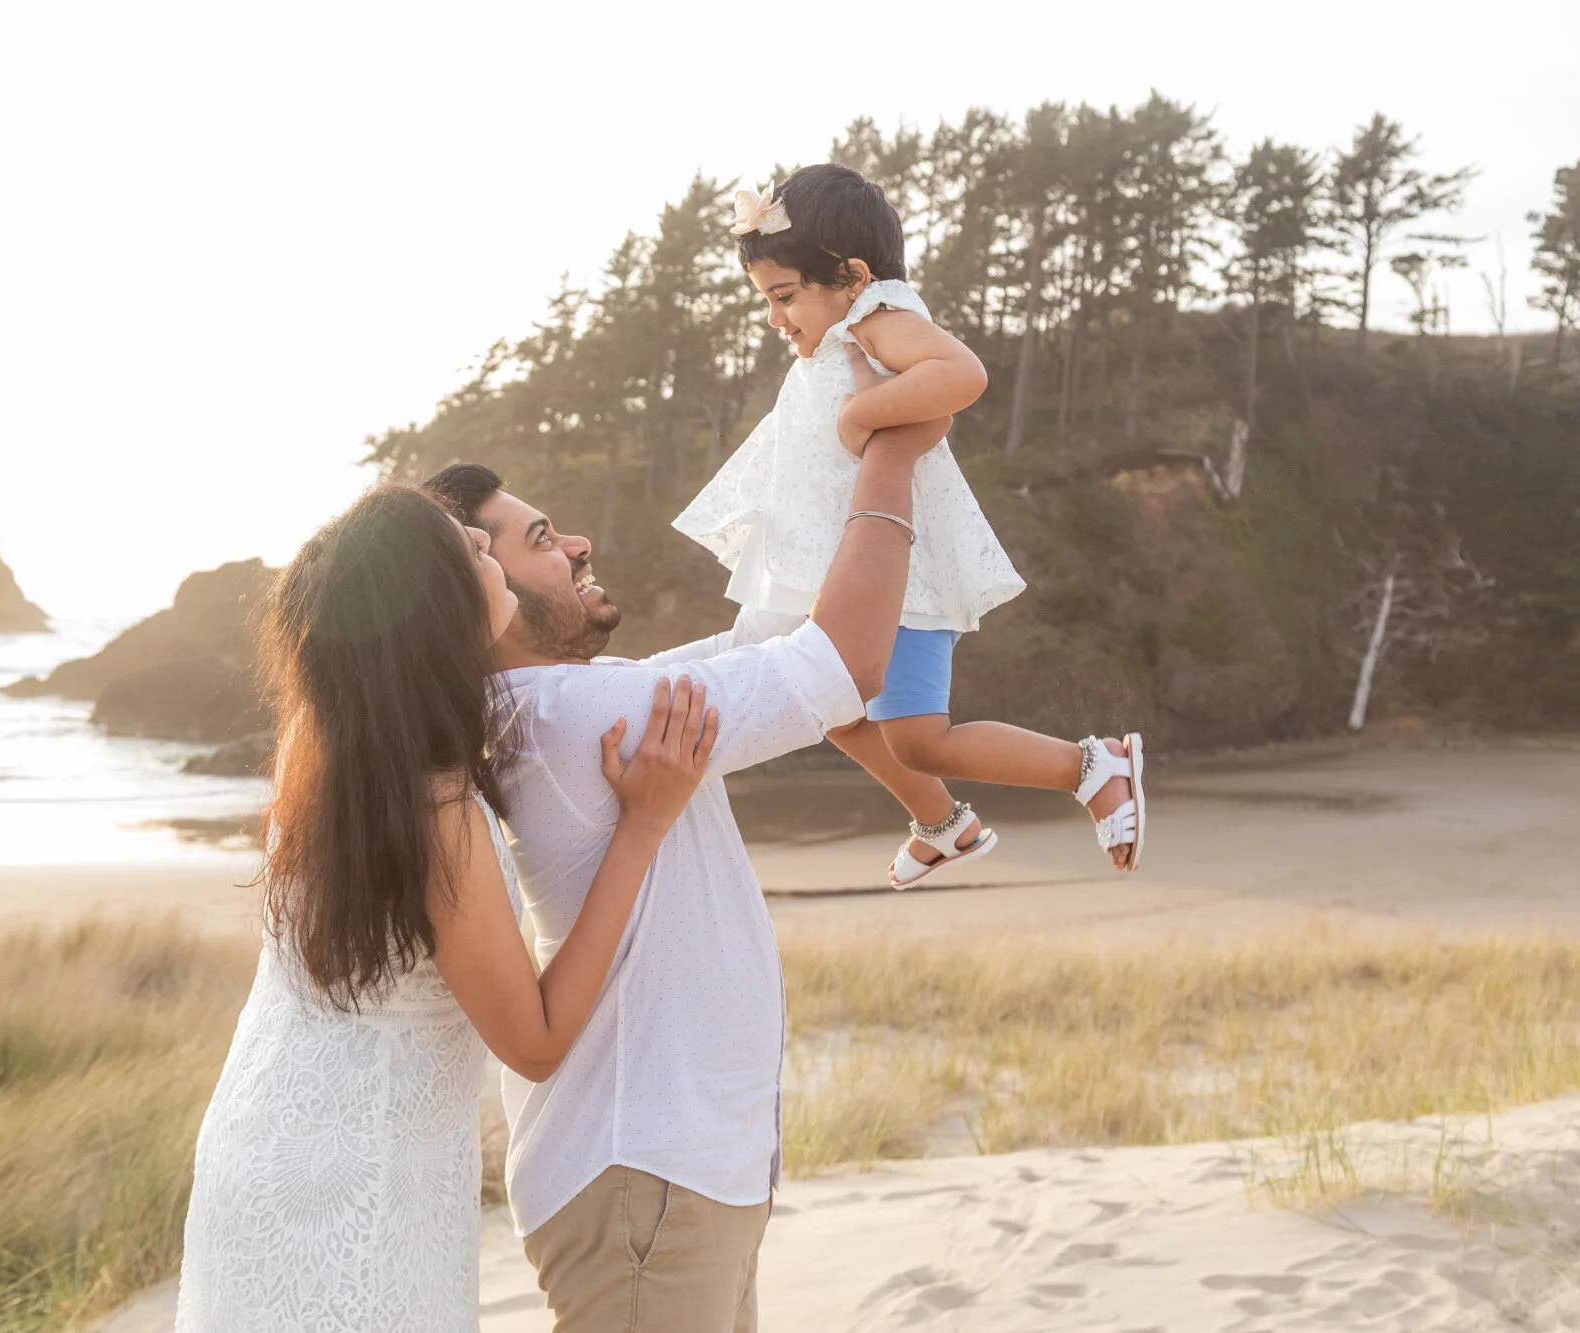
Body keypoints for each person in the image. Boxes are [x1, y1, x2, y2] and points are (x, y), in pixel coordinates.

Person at [174, 484, 720, 1333]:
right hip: (370, 1170)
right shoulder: (436, 813)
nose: (482, 541)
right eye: (468, 546)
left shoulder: (322, 746)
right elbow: (534, 1043)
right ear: (436, 609)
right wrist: (641, 827)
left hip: (264, 1138)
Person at [426, 423, 935, 1332]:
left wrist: (825, 442)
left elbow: (771, 638)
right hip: (645, 1180)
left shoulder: (576, 699)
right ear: (482, 594)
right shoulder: (573, 715)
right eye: (539, 542)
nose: (578, 543)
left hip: (672, 1177)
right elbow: (845, 665)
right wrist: (893, 456)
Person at [673, 163, 1145, 885]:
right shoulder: (845, 327)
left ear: (853, 276)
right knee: (828, 702)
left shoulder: (877, 319)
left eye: (785, 297)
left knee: (915, 735)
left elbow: (962, 374)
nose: (775, 318)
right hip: (849, 566)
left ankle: (1091, 766)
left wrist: (863, 414)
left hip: (902, 570)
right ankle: (944, 823)